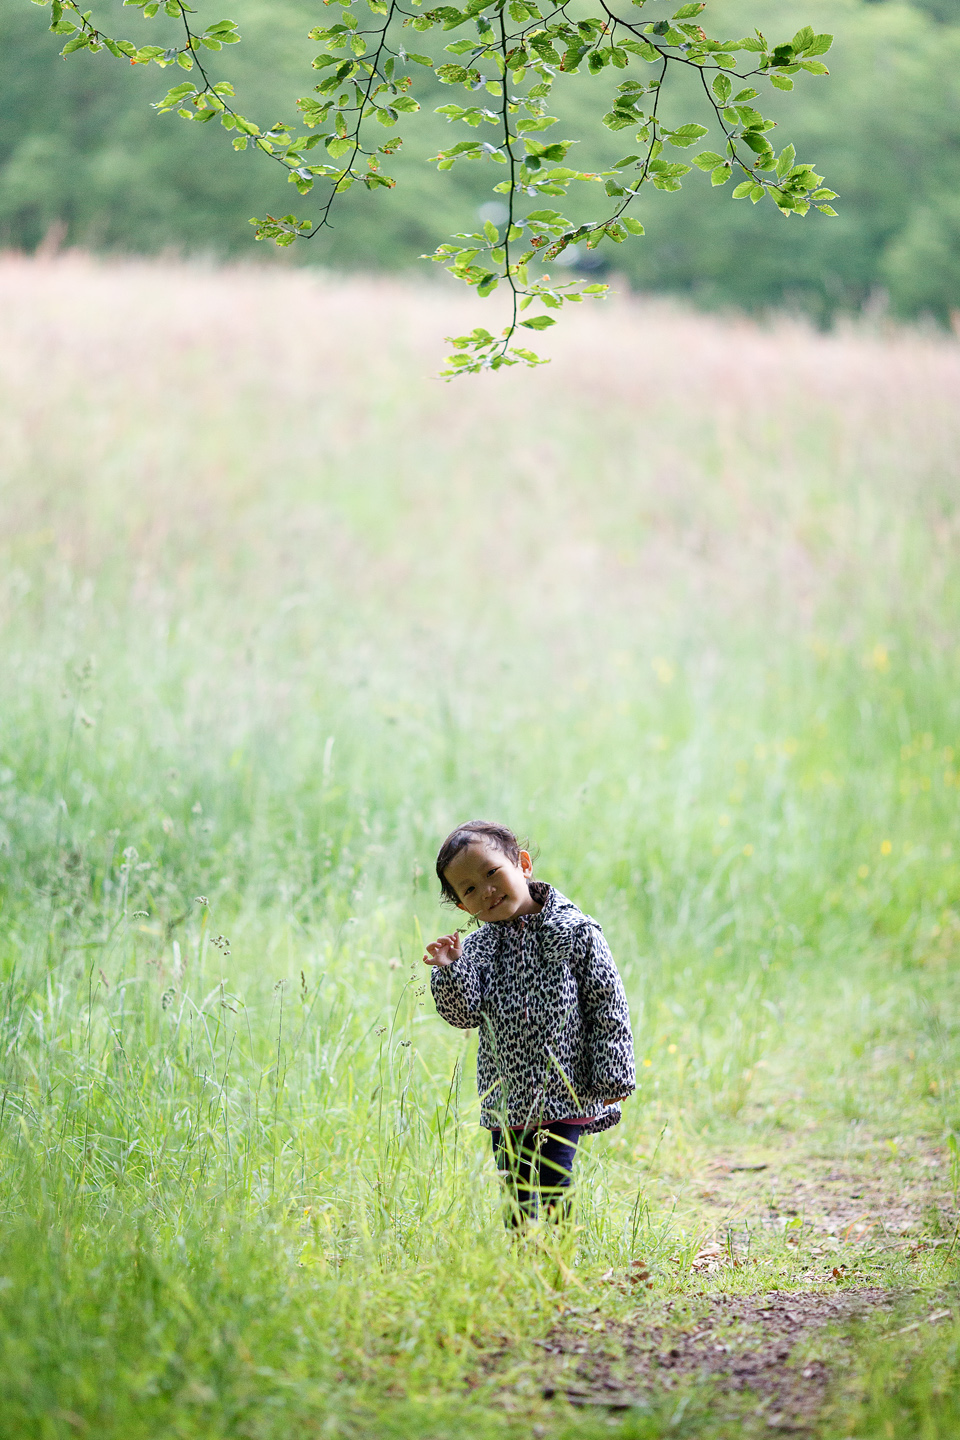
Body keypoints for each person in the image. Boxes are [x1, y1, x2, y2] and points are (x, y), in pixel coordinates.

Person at [423, 820, 635, 1225]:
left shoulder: (573, 931)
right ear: (462, 906)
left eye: (491, 872)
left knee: (555, 1177)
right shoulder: (480, 948)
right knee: (517, 1188)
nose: (485, 889)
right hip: (507, 1097)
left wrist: (613, 1077)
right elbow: (463, 1014)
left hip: (565, 1087)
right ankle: (525, 1262)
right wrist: (450, 970)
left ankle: (559, 1254)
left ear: (522, 864)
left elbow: (607, 1005)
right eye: (468, 889)